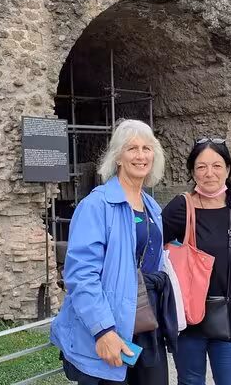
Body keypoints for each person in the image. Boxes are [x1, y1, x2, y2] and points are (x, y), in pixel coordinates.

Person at [51, 119, 175, 385]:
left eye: (147, 148)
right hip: (110, 326)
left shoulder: (152, 207)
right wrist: (103, 331)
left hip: (146, 325)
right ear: (118, 157)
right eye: (132, 149)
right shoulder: (96, 206)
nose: (140, 155)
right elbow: (81, 275)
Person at [162, 138, 231, 385]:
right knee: (191, 381)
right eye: (201, 167)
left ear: (227, 169)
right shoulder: (180, 208)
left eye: (216, 166)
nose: (209, 173)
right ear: (192, 172)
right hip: (188, 318)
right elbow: (150, 250)